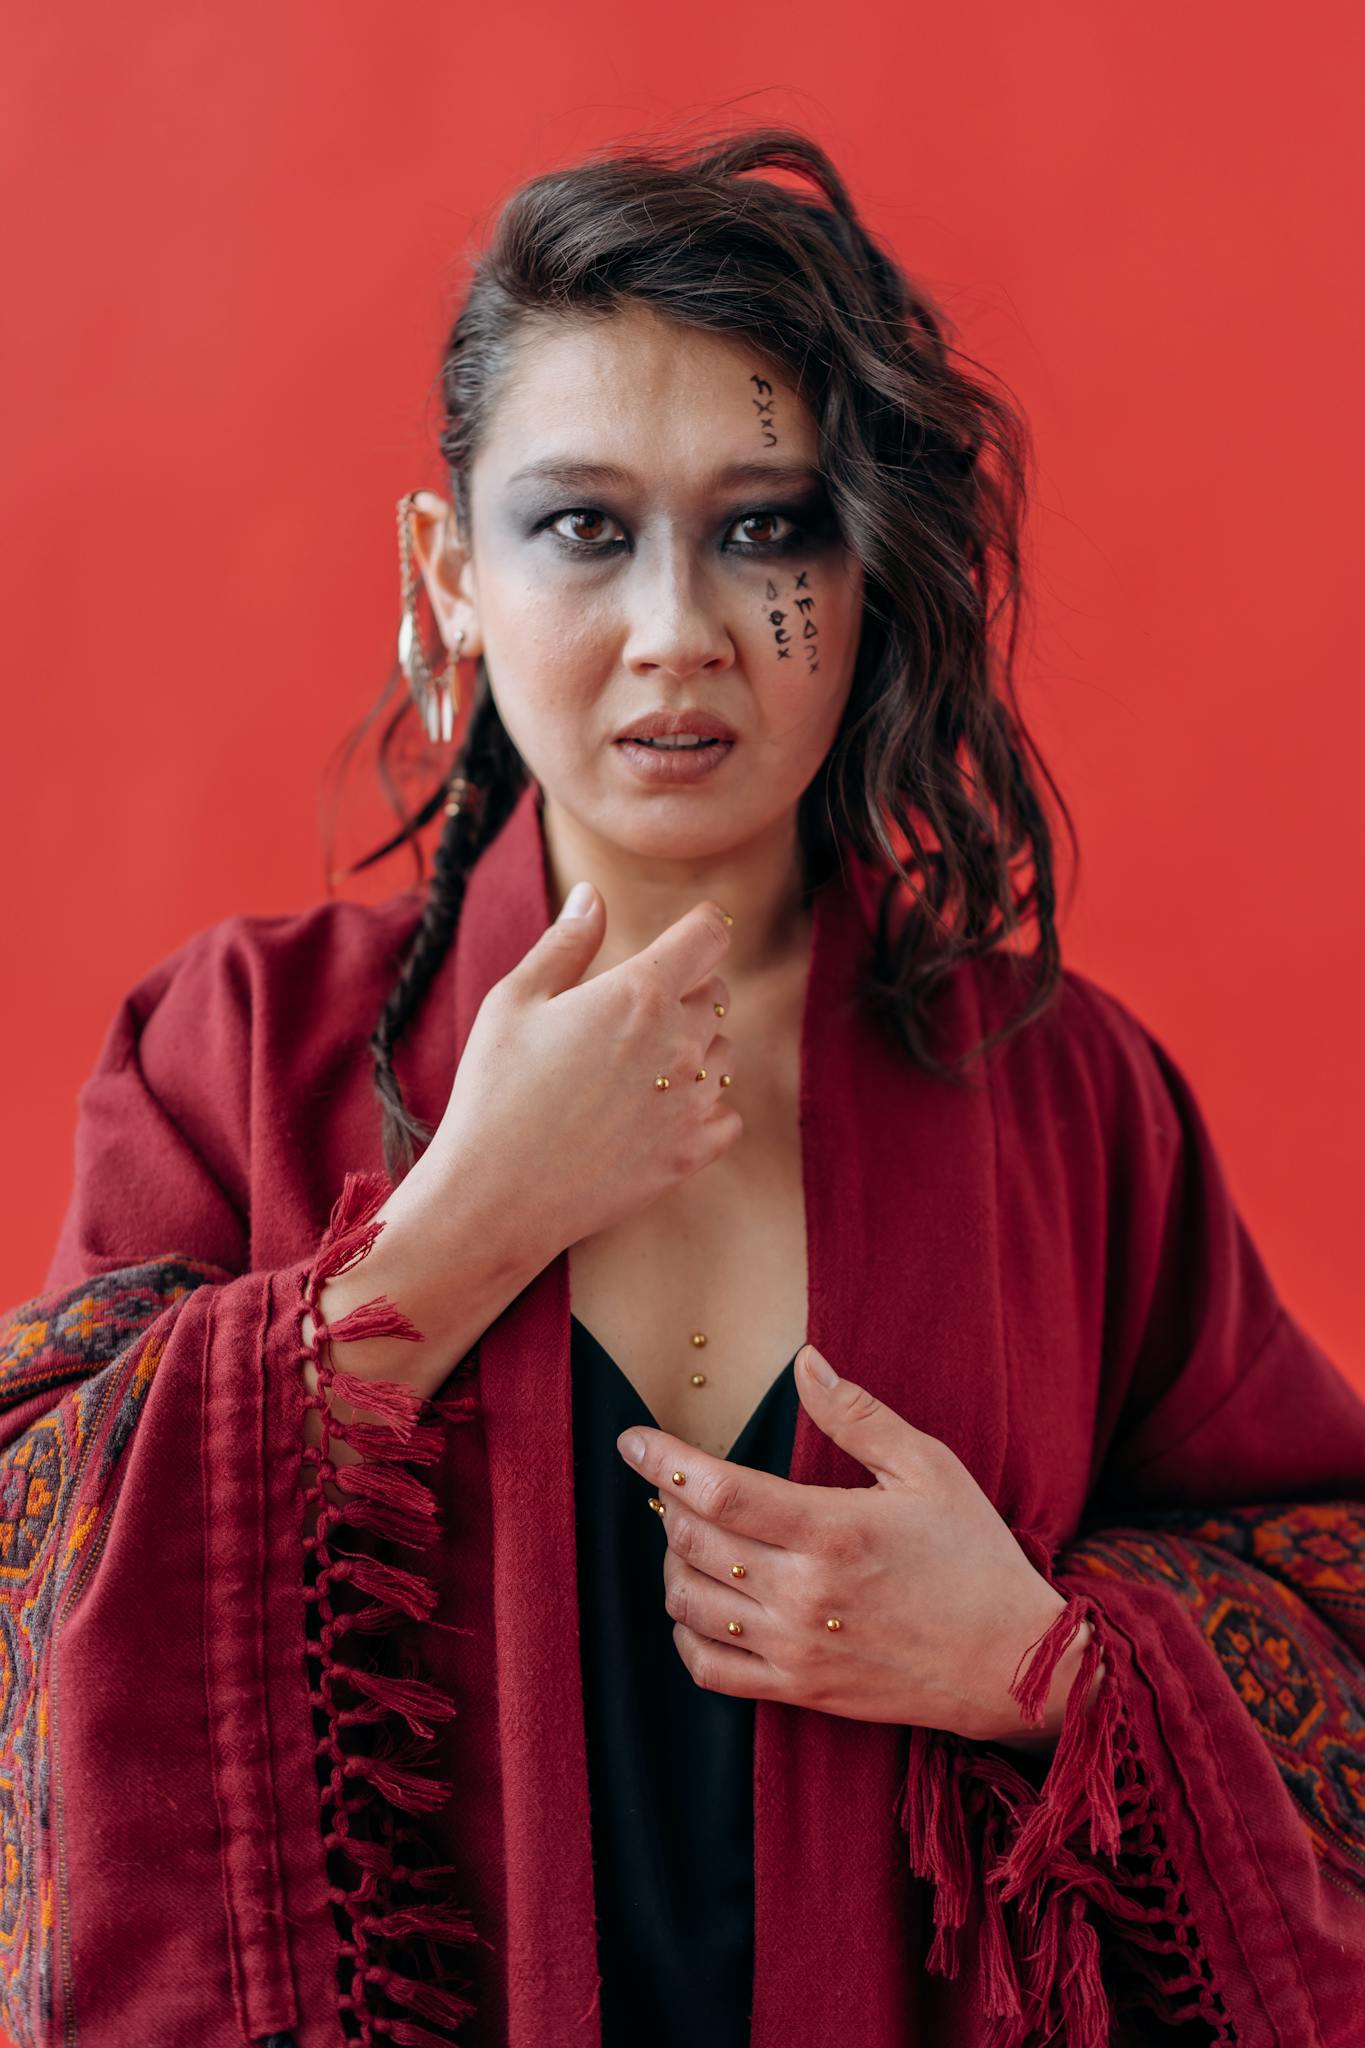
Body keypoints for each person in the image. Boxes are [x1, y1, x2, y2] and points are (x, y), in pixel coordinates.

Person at [4, 123, 1364, 2048]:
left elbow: (1333, 1605)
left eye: (767, 526)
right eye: (580, 525)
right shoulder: (230, 1055)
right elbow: (34, 1632)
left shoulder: (1066, 1100)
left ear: (868, 566)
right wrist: (459, 1235)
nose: (679, 634)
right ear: (445, 568)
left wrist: (1048, 1670)